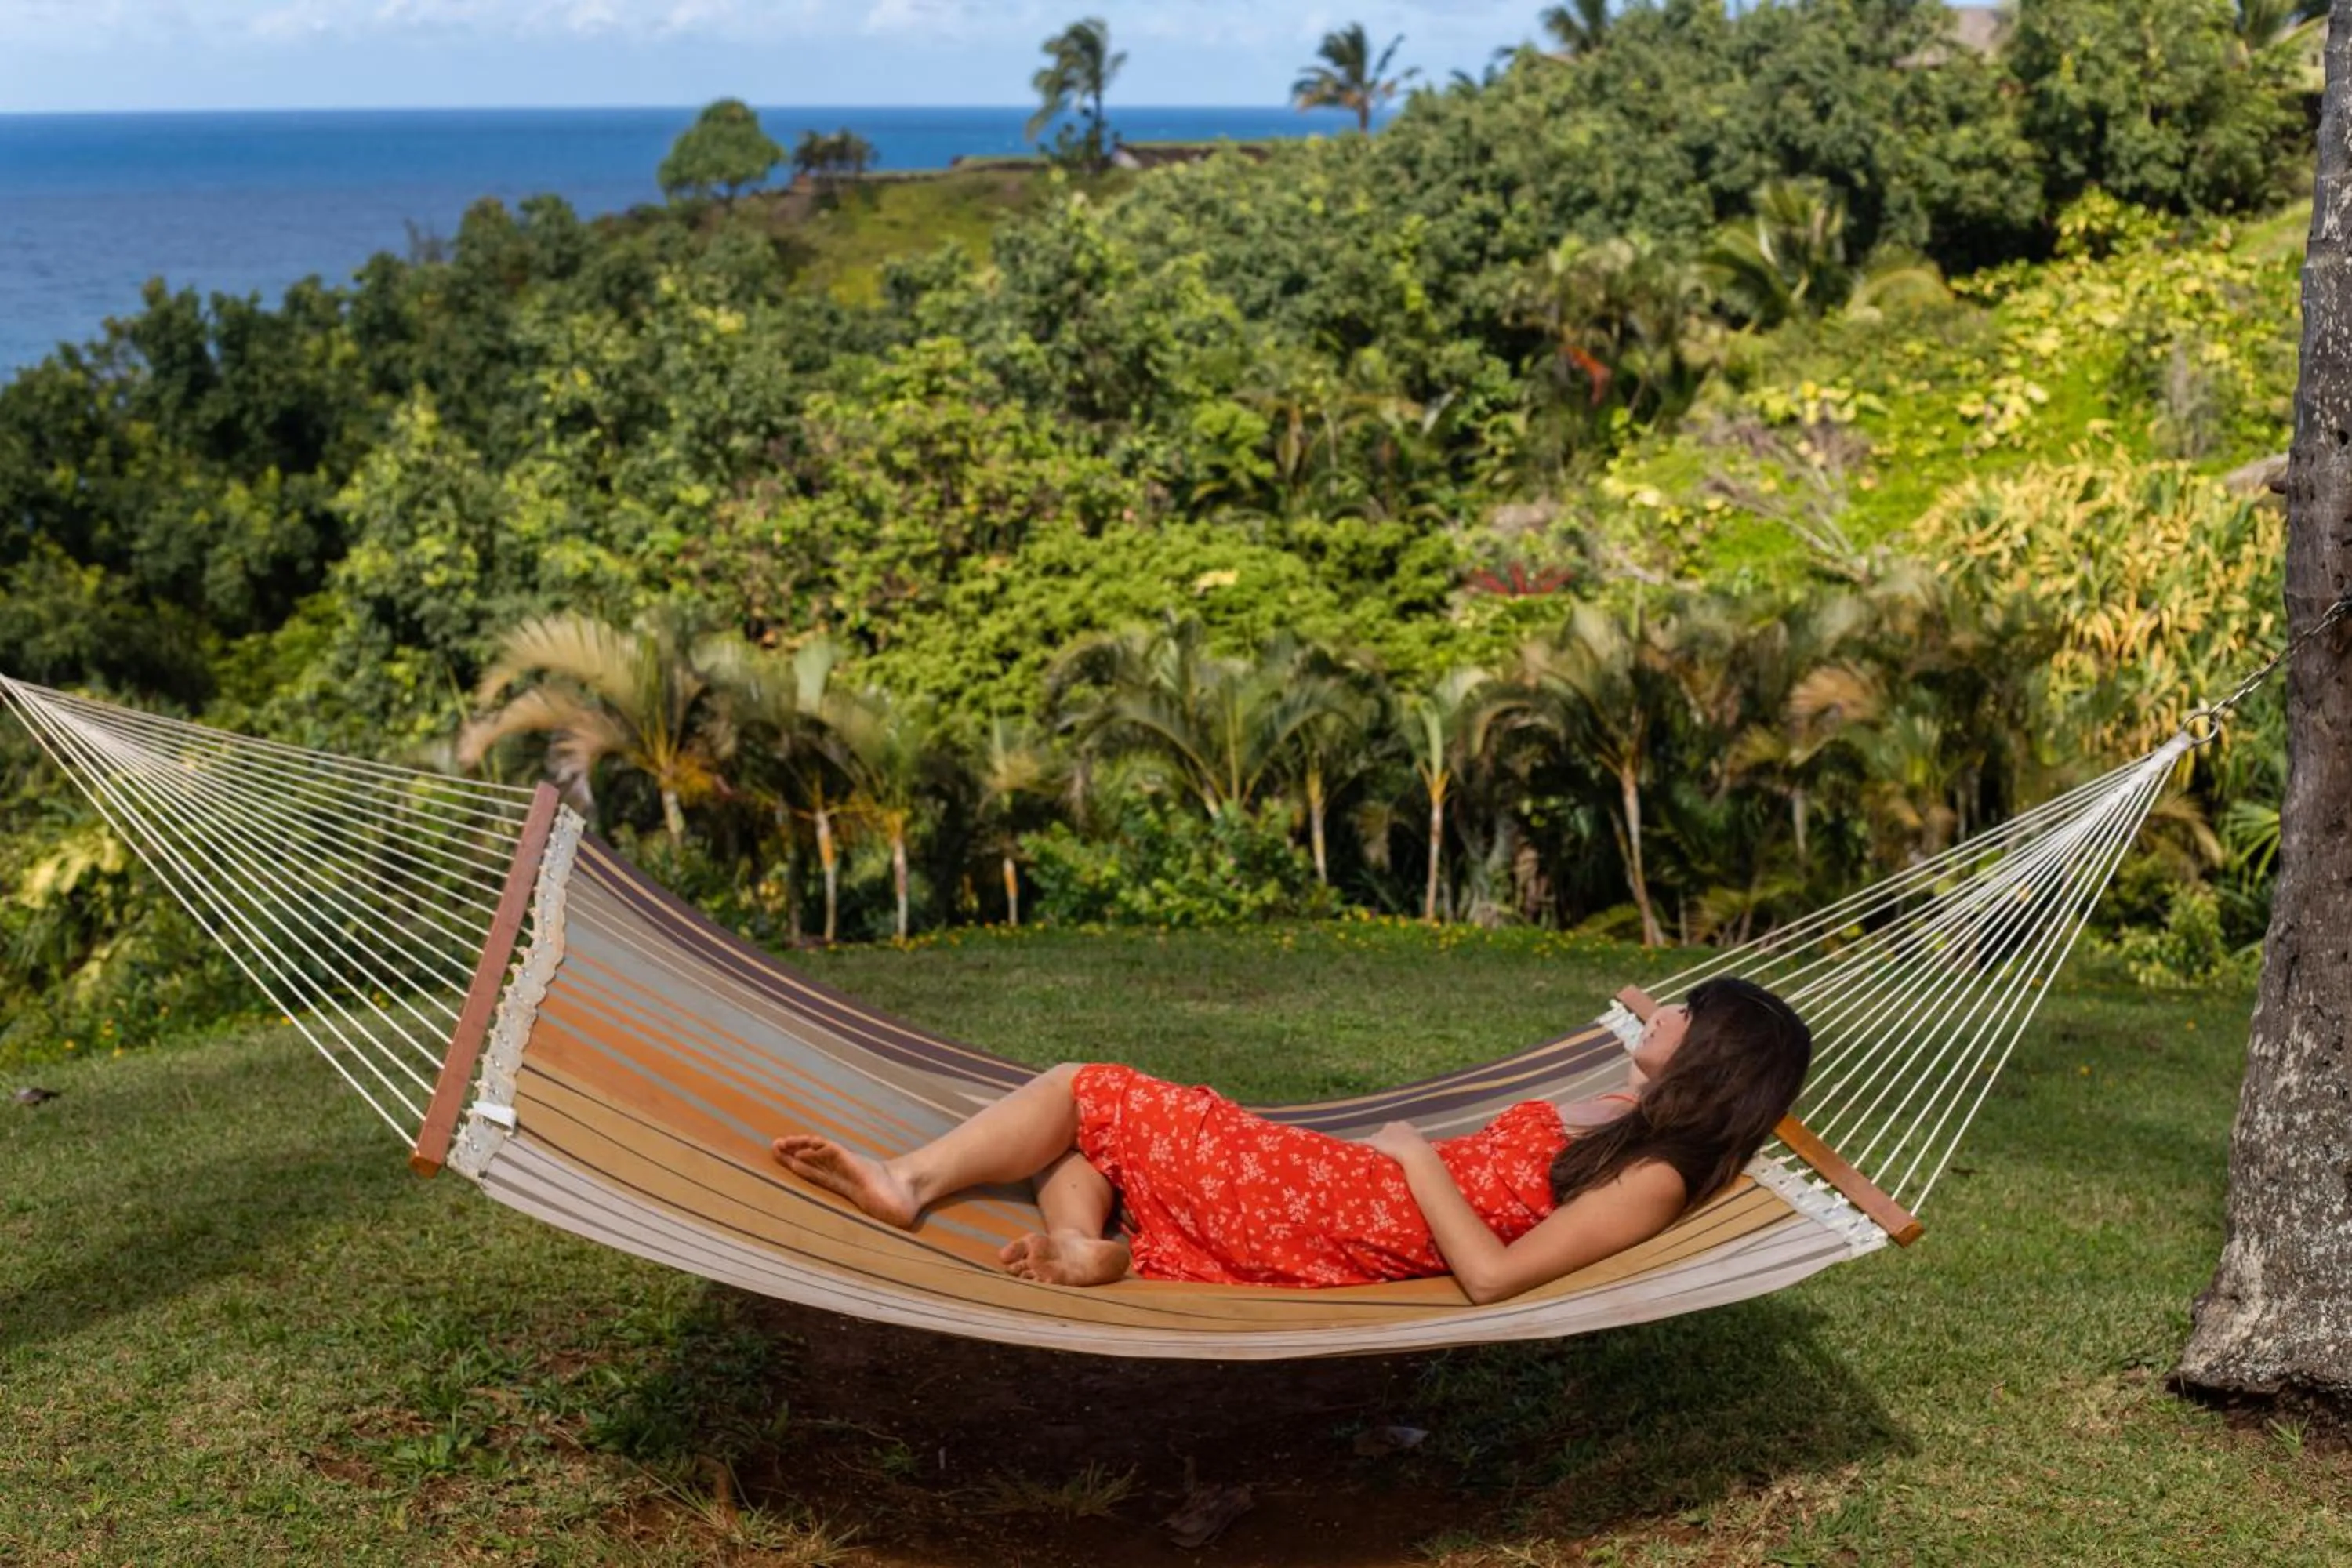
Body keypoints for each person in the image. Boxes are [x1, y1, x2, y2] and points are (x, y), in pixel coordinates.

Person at [771, 977, 1811, 1304]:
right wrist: (1653, 1036)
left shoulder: (1655, 1179)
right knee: (1086, 1151)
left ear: (1705, 1055)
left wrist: (1411, 1158)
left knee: (1085, 1089)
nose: (1655, 1016)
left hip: (1348, 1206)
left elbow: (1493, 1276)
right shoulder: (1637, 1125)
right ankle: (1099, 1250)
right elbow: (1635, 1069)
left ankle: (908, 1181)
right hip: (1346, 1192)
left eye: (1678, 1014)